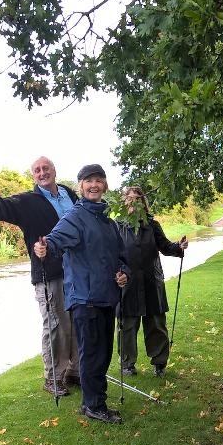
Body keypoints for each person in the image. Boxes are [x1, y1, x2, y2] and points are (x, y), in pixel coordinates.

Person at [0, 156, 78, 397]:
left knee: (76, 321)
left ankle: (74, 371)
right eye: (37, 170)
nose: (42, 173)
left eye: (46, 168)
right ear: (33, 176)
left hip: (76, 271)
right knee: (56, 324)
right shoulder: (29, 201)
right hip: (48, 272)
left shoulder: (69, 194)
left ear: (55, 170)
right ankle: (53, 378)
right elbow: (4, 206)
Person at [35, 164, 130, 424]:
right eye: (89, 181)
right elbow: (54, 241)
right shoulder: (74, 217)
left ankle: (94, 400)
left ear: (105, 185)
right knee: (92, 354)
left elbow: (121, 258)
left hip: (107, 297)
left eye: (98, 180)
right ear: (81, 186)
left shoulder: (109, 222)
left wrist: (123, 273)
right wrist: (44, 247)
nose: (94, 185)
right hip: (85, 299)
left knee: (104, 353)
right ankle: (94, 405)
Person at [116, 186, 188, 378]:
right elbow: (110, 255)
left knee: (156, 324)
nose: (134, 202)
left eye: (138, 199)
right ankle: (127, 364)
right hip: (127, 283)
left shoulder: (152, 224)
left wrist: (179, 246)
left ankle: (159, 363)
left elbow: (165, 246)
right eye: (130, 199)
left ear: (143, 202)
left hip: (151, 281)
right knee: (127, 325)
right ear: (124, 202)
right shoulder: (117, 226)